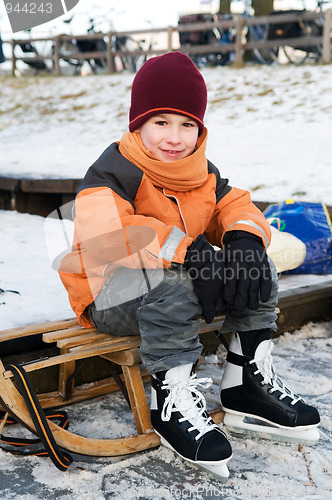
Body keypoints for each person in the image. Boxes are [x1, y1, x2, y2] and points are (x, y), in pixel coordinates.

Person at [58, 52, 320, 480]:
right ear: (137, 124)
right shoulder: (111, 172)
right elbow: (108, 234)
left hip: (173, 282)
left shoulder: (200, 172)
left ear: (200, 129)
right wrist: (192, 251)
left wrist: (244, 239)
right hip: (108, 294)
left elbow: (234, 205)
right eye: (160, 122)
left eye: (187, 124)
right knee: (175, 283)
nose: (174, 137)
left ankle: (245, 383)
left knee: (255, 267)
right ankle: (171, 401)